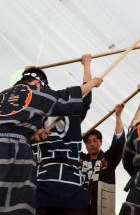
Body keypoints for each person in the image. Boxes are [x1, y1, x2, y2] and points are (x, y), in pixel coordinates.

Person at [0, 59, 103, 215]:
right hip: (16, 156)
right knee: (13, 204)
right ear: (39, 84)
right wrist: (93, 81)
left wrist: (29, 135)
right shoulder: (36, 95)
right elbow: (72, 94)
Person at [32, 55, 94, 215]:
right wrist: (87, 65)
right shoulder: (36, 116)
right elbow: (85, 91)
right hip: (53, 185)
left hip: (57, 185)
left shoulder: (36, 115)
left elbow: (85, 93)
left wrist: (87, 65)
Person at [81, 103, 126, 215]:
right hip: (80, 207)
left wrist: (118, 116)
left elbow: (118, 142)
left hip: (102, 208)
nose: (91, 144)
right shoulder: (79, 159)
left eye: (95, 140)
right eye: (88, 141)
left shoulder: (108, 159)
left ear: (101, 142)